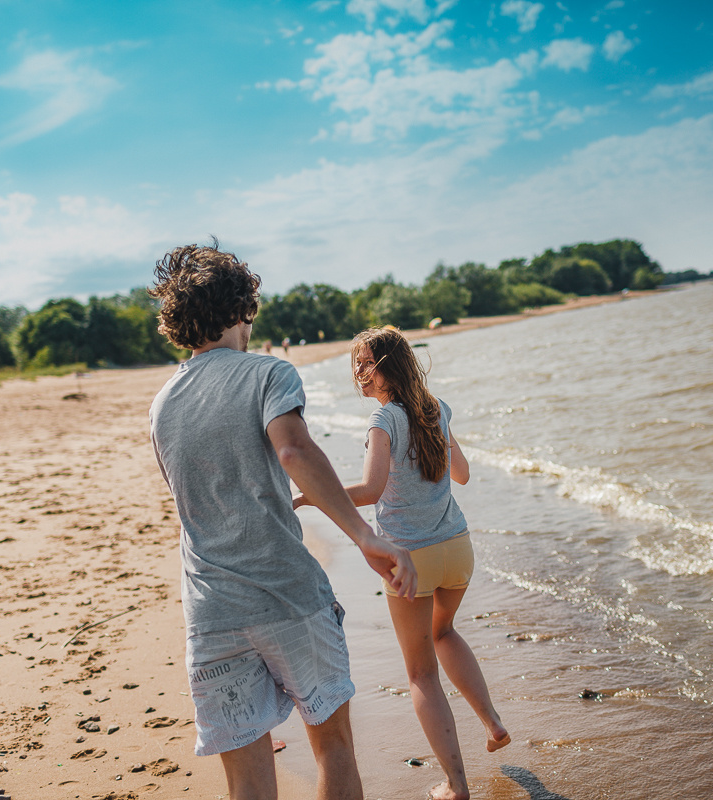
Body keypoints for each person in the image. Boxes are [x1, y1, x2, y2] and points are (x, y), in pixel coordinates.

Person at [148, 244, 417, 800]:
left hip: (211, 612)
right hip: (286, 595)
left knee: (246, 778)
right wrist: (364, 535)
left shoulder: (162, 402)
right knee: (334, 747)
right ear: (242, 310)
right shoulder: (268, 373)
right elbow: (293, 452)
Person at [294, 326, 510, 800]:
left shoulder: (382, 421)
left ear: (386, 368)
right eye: (356, 363)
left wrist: (315, 497)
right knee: (445, 632)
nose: (357, 371)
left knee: (420, 673)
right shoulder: (436, 409)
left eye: (364, 363)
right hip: (458, 548)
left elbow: (370, 491)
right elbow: (463, 474)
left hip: (411, 559)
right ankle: (492, 724)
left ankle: (456, 784)